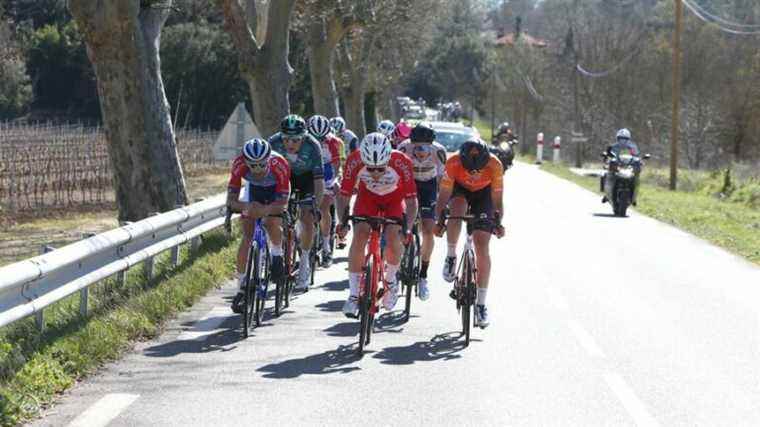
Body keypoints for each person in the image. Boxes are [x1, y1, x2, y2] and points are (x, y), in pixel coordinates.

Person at [336, 133, 418, 318]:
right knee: (359, 237)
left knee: (393, 237)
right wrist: (342, 221)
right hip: (368, 199)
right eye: (370, 168)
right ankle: (354, 295)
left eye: (380, 169)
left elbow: (412, 202)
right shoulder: (354, 160)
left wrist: (408, 228)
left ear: (388, 159)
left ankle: (390, 282)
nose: (374, 173)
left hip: (394, 200)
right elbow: (344, 195)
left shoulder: (401, 162)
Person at [433, 138, 505, 328]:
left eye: (478, 170)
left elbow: (497, 199)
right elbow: (443, 196)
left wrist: (498, 222)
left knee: (482, 245)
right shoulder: (453, 162)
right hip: (460, 190)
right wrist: (439, 220)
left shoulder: (495, 165)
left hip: (484, 195)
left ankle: (481, 304)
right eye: (470, 170)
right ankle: (451, 255)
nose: (474, 173)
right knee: (457, 209)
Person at [227, 138, 290, 314]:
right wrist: (247, 208)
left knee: (271, 222)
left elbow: (283, 203)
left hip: (275, 191)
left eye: (262, 165)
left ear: (268, 159)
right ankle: (241, 287)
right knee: (247, 236)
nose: (257, 170)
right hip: (252, 192)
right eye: (252, 166)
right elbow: (231, 200)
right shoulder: (239, 164)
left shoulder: (280, 164)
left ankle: (277, 254)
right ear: (245, 162)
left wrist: (266, 209)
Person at [269, 114, 325, 291]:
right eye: (286, 139)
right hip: (284, 177)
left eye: (296, 140)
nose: (290, 144)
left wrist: (315, 204)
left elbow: (319, 181)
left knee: (307, 217)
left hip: (306, 179)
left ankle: (305, 261)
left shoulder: (313, 146)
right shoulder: (273, 143)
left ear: (304, 137)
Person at [397, 122, 447, 301]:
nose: (419, 150)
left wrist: (442, 206)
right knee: (402, 225)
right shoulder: (403, 148)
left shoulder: (439, 151)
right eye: (416, 146)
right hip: (409, 184)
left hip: (429, 187)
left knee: (428, 230)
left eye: (425, 146)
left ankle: (423, 276)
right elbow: (395, 174)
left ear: (432, 145)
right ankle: (398, 264)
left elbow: (442, 180)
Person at [307, 115, 344, 267]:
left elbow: (336, 165)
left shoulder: (333, 142)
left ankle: (327, 246)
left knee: (323, 207)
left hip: (327, 171)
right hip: (309, 171)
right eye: (315, 137)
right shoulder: (304, 140)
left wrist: (333, 181)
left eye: (322, 138)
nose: (319, 141)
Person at [602, 128, 642, 205]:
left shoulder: (632, 147)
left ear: (628, 139)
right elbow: (607, 156)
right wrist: (607, 158)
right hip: (617, 166)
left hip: (628, 167)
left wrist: (639, 160)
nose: (623, 140)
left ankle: (634, 196)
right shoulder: (613, 147)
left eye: (625, 139)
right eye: (621, 138)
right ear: (617, 138)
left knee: (636, 177)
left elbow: (636, 155)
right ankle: (607, 194)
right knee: (607, 174)